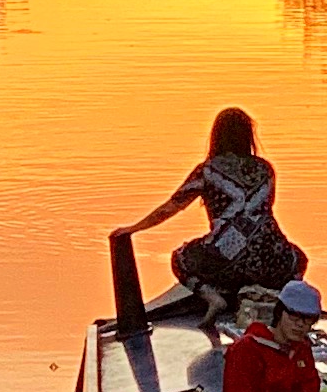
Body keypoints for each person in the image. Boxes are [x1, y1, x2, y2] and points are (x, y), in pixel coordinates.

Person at [119, 104, 303, 308]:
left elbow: (170, 208)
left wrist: (134, 228)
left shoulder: (207, 171)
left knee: (180, 258)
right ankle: (285, 302)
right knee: (299, 259)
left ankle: (213, 298)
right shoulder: (265, 169)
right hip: (272, 258)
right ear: (248, 137)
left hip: (225, 259)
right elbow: (264, 210)